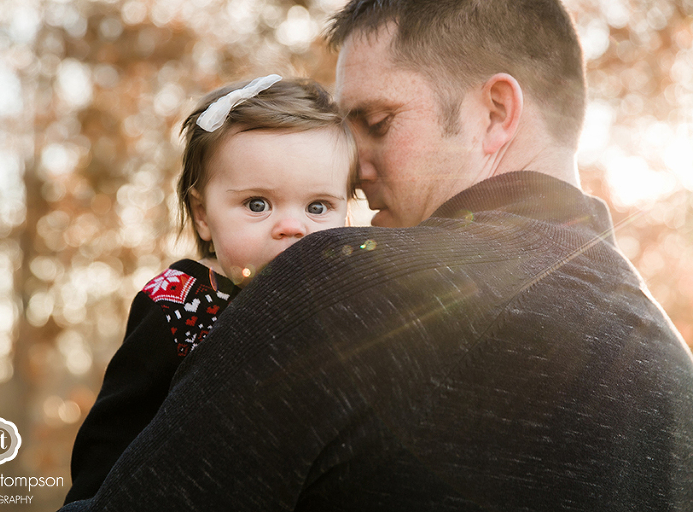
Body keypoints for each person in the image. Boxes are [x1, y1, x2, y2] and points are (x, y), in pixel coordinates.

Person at [60, 0, 693, 510]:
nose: (353, 173)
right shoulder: (674, 373)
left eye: (379, 122)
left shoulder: (336, 284)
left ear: (496, 112)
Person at [63, 76, 357, 504]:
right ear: (202, 214)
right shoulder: (177, 303)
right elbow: (111, 434)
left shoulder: (352, 296)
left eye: (318, 207)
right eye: (258, 204)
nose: (294, 227)